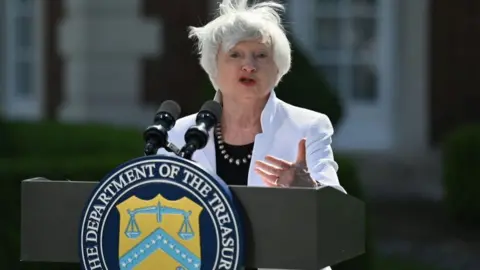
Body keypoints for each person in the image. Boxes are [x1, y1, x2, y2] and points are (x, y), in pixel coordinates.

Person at [158, 0, 346, 269]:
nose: (248, 65)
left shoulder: (308, 126)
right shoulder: (179, 135)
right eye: (235, 55)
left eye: (260, 55)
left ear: (278, 67)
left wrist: (311, 191)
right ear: (214, 67)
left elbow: (339, 213)